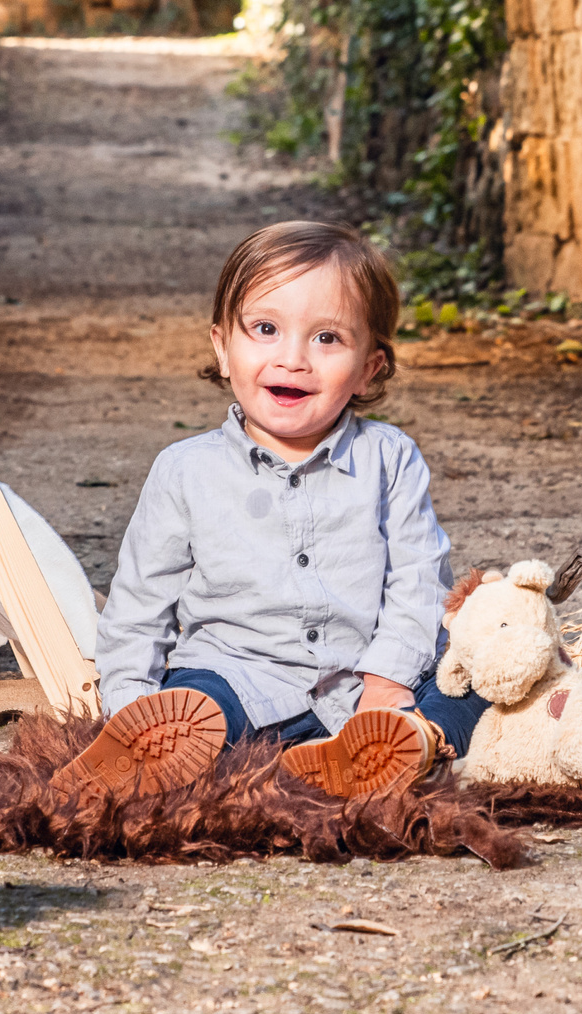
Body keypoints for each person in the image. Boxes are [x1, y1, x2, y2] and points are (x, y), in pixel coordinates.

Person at [58, 221, 488, 800]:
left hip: (366, 686)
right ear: (222, 348)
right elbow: (141, 604)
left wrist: (387, 679)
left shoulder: (390, 458)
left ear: (370, 368)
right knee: (199, 705)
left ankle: (409, 741)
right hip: (239, 678)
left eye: (327, 339)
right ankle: (158, 751)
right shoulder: (186, 469)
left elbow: (418, 578)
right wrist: (128, 704)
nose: (293, 359)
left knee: (478, 673)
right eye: (265, 329)